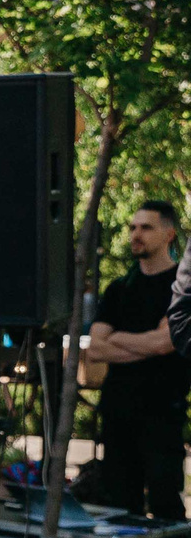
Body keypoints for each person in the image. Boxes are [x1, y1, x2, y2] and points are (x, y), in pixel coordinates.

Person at [87, 201, 186, 519]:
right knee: (118, 506)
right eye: (132, 227)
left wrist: (117, 337)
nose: (135, 234)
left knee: (165, 505)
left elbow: (166, 342)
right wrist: (148, 341)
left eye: (146, 227)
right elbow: (95, 349)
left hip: (162, 412)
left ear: (169, 235)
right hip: (118, 411)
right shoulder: (119, 289)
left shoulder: (182, 289)